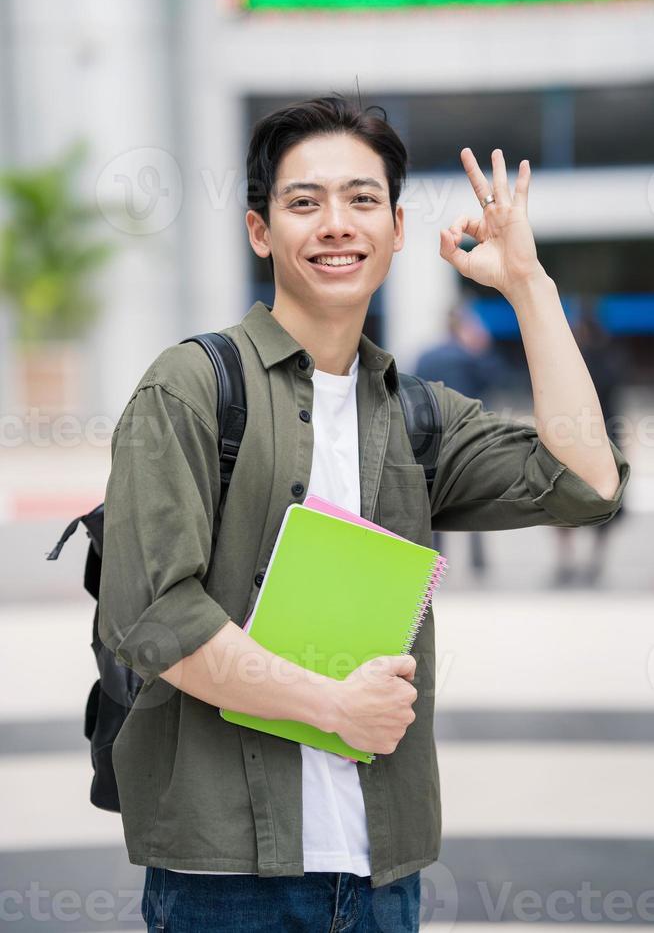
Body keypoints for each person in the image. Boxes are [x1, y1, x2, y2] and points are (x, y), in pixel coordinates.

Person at [97, 94, 629, 932]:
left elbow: (587, 481)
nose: (336, 223)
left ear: (397, 228)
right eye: (304, 202)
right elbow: (155, 612)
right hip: (226, 880)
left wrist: (529, 286)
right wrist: (331, 707)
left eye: (363, 199)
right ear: (259, 231)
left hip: (383, 875)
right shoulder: (194, 388)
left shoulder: (418, 414)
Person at [415, 304, 510, 575]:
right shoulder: (471, 356)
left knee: (435, 500)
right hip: (469, 438)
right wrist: (481, 347)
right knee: (474, 498)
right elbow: (498, 378)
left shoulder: (427, 356)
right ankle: (478, 561)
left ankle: (435, 562)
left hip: (432, 438)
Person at [551, 309, 629, 587]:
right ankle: (583, 562)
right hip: (601, 437)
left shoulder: (583, 361)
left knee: (563, 498)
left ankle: (574, 562)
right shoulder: (611, 359)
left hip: (582, 436)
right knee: (594, 500)